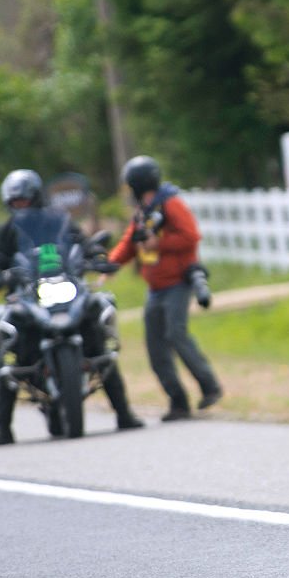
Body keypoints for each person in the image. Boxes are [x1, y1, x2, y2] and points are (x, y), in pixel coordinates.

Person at [0, 169, 144, 446]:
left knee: (98, 340)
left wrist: (95, 257)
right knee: (9, 353)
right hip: (27, 296)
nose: (21, 206)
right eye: (16, 202)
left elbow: (81, 243)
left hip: (65, 286)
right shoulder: (6, 231)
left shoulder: (59, 220)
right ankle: (2, 428)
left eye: (25, 201)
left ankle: (124, 413)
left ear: (36, 197)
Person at [108, 155, 222, 422]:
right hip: (155, 288)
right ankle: (178, 402)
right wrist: (111, 264)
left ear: (136, 184)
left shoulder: (170, 204)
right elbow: (130, 240)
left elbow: (190, 236)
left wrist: (157, 244)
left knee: (176, 334)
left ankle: (210, 386)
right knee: (155, 347)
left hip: (177, 284)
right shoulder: (144, 210)